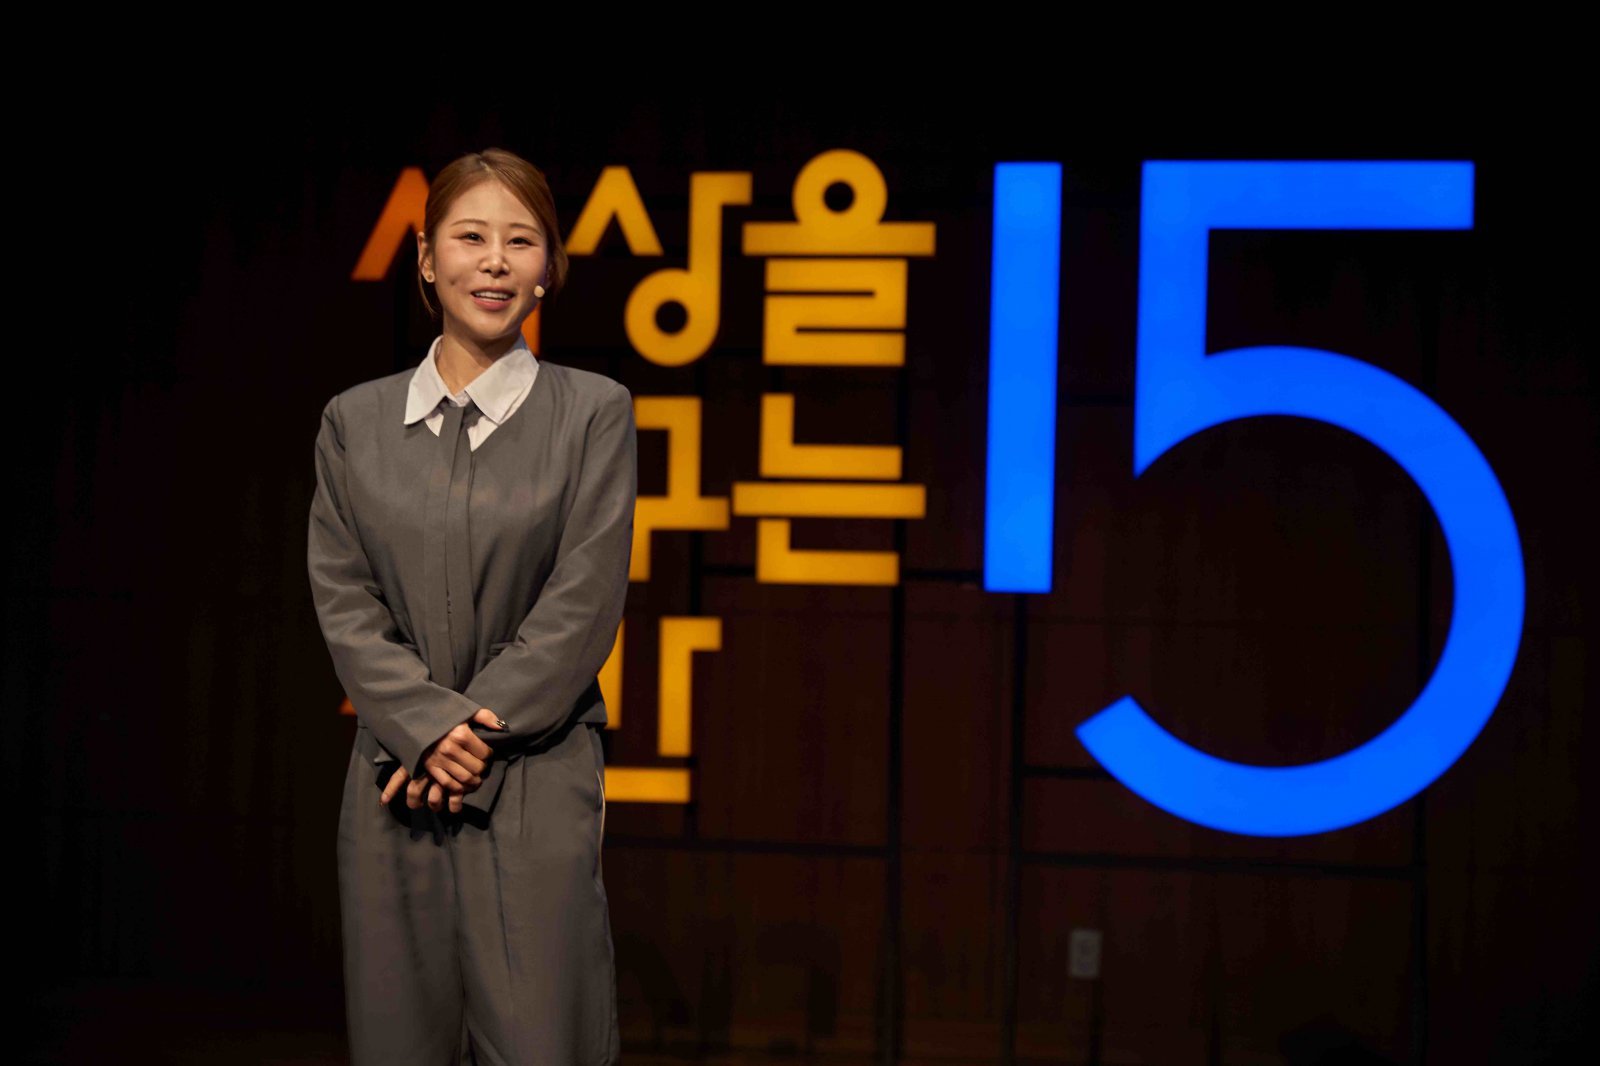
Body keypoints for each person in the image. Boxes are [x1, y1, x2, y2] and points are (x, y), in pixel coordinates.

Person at [307, 147, 634, 1065]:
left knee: (543, 1039)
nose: (495, 261)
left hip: (533, 768)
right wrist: (419, 727)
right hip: (395, 774)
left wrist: (467, 737)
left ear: (548, 267)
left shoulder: (593, 412)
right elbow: (344, 598)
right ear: (425, 257)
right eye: (470, 237)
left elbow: (582, 600)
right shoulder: (354, 422)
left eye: (521, 241)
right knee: (397, 1038)